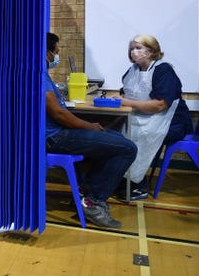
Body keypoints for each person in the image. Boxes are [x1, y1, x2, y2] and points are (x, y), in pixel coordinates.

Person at [45, 33, 137, 229]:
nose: (58, 55)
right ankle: (92, 201)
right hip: (56, 138)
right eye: (56, 52)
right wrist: (89, 125)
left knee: (114, 138)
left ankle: (87, 193)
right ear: (46, 54)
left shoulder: (42, 75)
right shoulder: (39, 77)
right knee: (127, 148)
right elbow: (59, 115)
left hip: (59, 133)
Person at [112, 34, 193, 200]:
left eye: (138, 48)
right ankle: (121, 177)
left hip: (171, 122)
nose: (134, 52)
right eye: (132, 49)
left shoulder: (164, 71)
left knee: (137, 136)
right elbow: (125, 91)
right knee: (117, 131)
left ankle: (136, 184)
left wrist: (126, 101)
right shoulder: (133, 70)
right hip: (143, 116)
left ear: (151, 51)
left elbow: (160, 105)